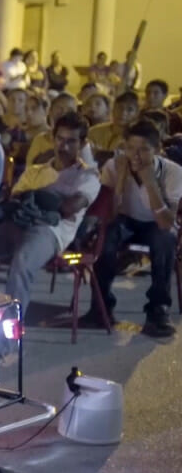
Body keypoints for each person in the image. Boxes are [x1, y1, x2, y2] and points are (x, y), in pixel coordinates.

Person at [0, 112, 100, 356]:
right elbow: (15, 199)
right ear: (53, 138)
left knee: (22, 265)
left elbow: (69, 207)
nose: (64, 146)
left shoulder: (88, 175)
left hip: (50, 232)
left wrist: (38, 197)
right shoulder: (36, 170)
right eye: (60, 139)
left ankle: (6, 339)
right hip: (18, 224)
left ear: (82, 144)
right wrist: (39, 199)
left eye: (71, 141)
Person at [84, 120, 182, 338]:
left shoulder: (173, 172)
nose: (135, 156)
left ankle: (158, 311)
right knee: (106, 238)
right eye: (130, 149)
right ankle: (100, 309)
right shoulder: (114, 165)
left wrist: (150, 183)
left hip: (155, 224)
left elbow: (167, 222)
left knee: (165, 240)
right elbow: (109, 215)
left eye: (144, 150)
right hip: (125, 219)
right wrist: (119, 179)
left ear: (157, 150)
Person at [25, 93, 97, 166]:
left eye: (70, 110)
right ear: (50, 111)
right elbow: (30, 170)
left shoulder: (83, 143)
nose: (64, 113)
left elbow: (87, 170)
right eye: (60, 109)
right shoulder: (40, 139)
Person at [89, 91, 142, 162]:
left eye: (130, 110)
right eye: (120, 108)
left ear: (136, 114)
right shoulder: (94, 131)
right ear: (113, 109)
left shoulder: (137, 138)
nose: (123, 113)